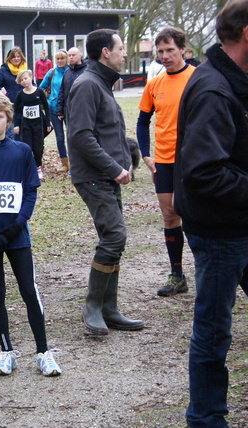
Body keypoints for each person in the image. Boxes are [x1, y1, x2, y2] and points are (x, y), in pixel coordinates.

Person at [173, 1, 248, 424]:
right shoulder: (215, 87)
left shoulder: (234, 81)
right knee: (214, 332)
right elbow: (204, 173)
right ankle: (205, 418)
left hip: (238, 224)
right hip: (220, 233)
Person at [0, 91, 61, 377]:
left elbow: (30, 191)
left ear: (8, 120)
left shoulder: (22, 151)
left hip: (17, 234)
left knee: (29, 290)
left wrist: (19, 223)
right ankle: (6, 351)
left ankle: (43, 352)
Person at [66, 28, 144, 335]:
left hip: (107, 175)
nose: (125, 53)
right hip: (94, 176)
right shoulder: (87, 85)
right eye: (121, 48)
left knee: (113, 239)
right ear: (105, 52)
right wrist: (114, 168)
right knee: (114, 236)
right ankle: (93, 307)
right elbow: (80, 136)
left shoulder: (101, 83)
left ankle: (109, 309)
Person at [136, 27, 195, 297]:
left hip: (193, 160)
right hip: (163, 161)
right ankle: (177, 274)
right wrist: (146, 155)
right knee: (170, 215)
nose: (165, 56)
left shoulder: (198, 78)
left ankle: (209, 270)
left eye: (170, 50)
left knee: (194, 215)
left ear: (183, 49)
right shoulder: (154, 84)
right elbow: (142, 121)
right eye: (160, 51)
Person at [13, 69, 51, 179]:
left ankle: (38, 167)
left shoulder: (39, 92)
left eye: (25, 78)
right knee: (27, 147)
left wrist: (48, 123)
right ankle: (29, 168)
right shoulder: (20, 95)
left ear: (31, 77)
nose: (24, 81)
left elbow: (46, 108)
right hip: (26, 125)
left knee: (38, 148)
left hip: (38, 124)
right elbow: (16, 110)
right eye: (21, 80)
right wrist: (16, 125)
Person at [56, 47, 87, 174]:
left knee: (84, 138)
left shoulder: (87, 71)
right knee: (71, 138)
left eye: (73, 55)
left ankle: (85, 164)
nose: (71, 58)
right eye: (69, 55)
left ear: (80, 55)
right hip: (68, 111)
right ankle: (74, 165)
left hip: (83, 111)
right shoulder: (67, 72)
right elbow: (62, 92)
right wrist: (60, 110)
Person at [39, 50, 69, 172]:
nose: (60, 61)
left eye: (62, 58)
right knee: (60, 137)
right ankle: (65, 163)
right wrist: (47, 99)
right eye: (58, 59)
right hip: (53, 108)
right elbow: (41, 88)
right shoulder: (51, 73)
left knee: (72, 136)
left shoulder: (70, 72)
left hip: (68, 108)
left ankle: (76, 162)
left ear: (66, 59)